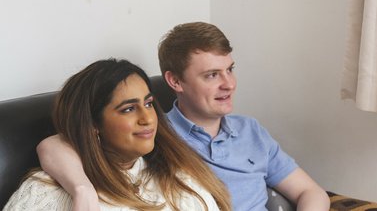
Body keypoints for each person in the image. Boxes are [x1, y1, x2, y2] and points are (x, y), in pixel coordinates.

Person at [37, 22, 330, 211]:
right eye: (212, 75)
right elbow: (55, 144)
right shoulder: (156, 134)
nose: (229, 84)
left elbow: (311, 192)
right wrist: (81, 190)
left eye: (230, 69)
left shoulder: (250, 130)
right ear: (175, 82)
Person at [4, 59, 231, 211]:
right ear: (93, 123)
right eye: (129, 109)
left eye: (149, 104)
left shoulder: (178, 178)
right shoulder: (46, 194)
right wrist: (83, 192)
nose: (148, 118)